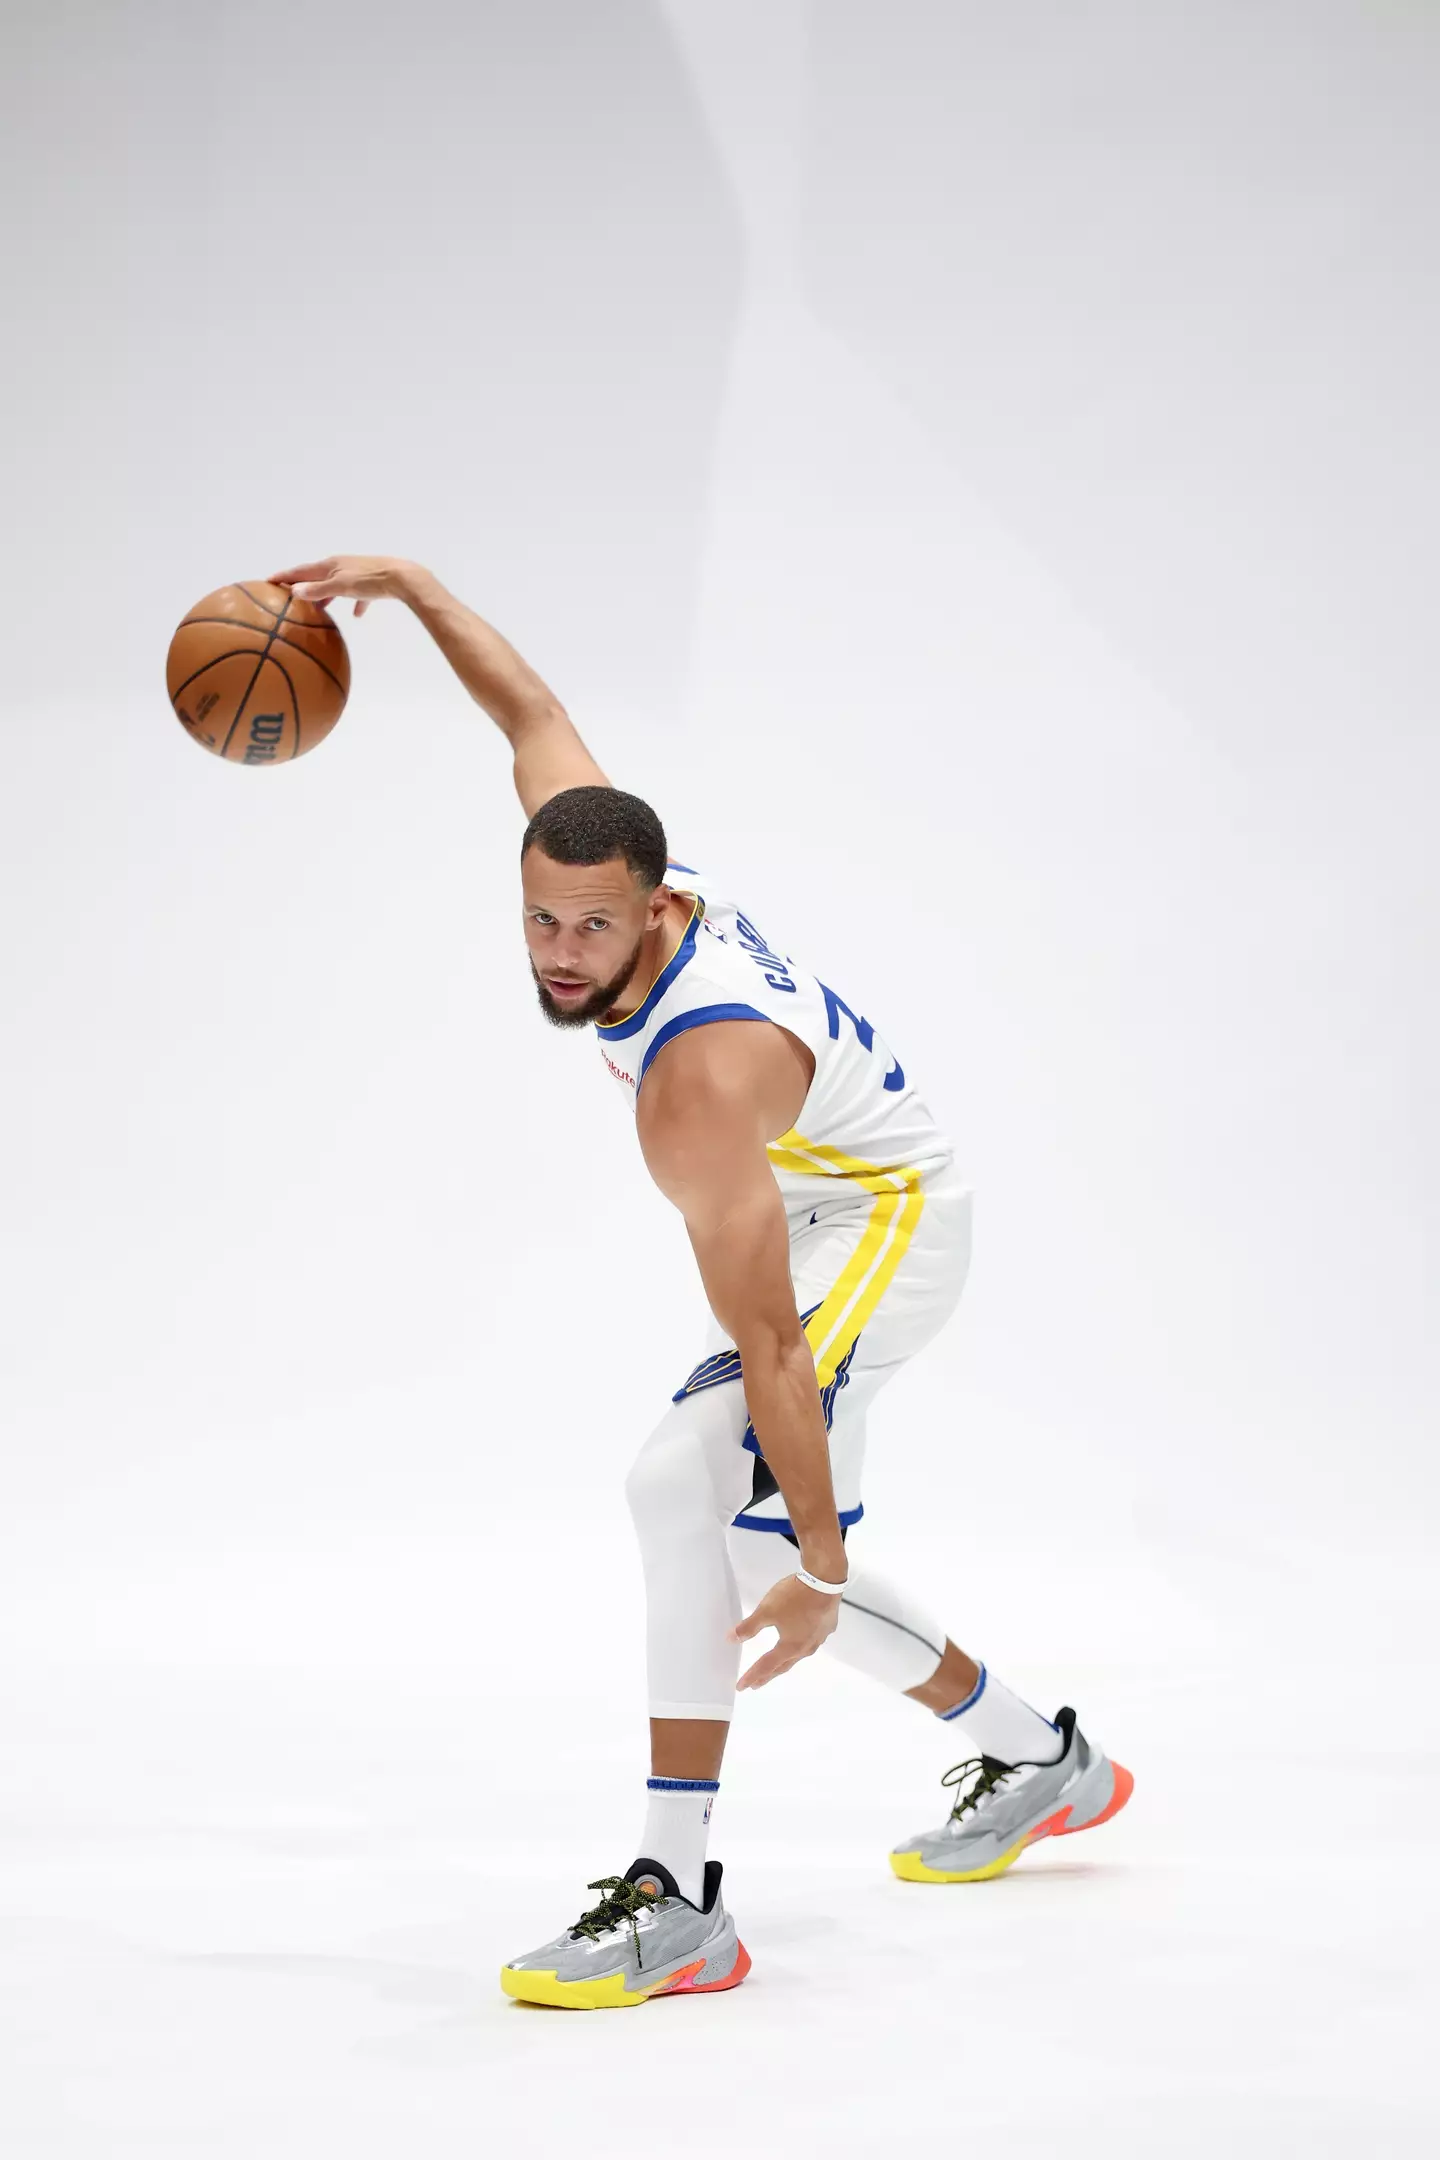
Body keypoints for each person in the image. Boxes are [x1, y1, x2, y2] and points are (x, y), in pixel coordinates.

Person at [270, 555, 1134, 2010]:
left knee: (699, 1502)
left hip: (885, 1230)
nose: (560, 956)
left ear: (659, 907)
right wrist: (412, 594)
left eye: (591, 929)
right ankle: (1051, 1762)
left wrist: (828, 1561)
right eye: (540, 920)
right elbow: (529, 710)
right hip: (810, 1210)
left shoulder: (696, 1077)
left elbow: (779, 1350)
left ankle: (680, 1902)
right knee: (715, 1528)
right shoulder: (607, 860)